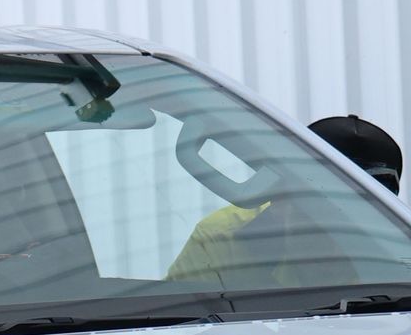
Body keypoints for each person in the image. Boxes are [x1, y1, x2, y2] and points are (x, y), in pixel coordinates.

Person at [166, 114, 403, 285]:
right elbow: (177, 327)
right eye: (317, 217)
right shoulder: (219, 240)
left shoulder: (401, 252)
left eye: (350, 228)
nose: (332, 242)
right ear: (278, 200)